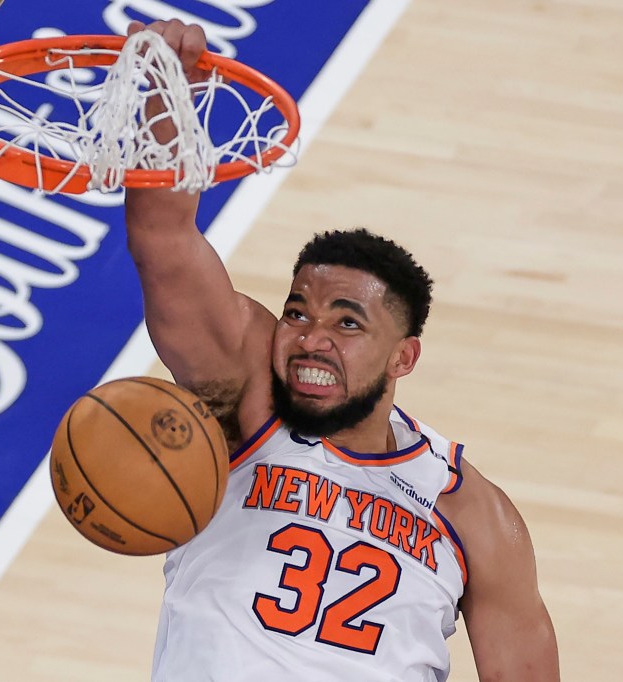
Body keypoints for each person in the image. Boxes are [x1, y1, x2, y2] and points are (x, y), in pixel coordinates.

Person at [123, 19, 559, 682]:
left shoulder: (471, 511)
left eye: (347, 324)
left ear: (403, 359)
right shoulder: (249, 397)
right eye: (297, 311)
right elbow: (163, 241)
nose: (310, 337)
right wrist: (164, 102)